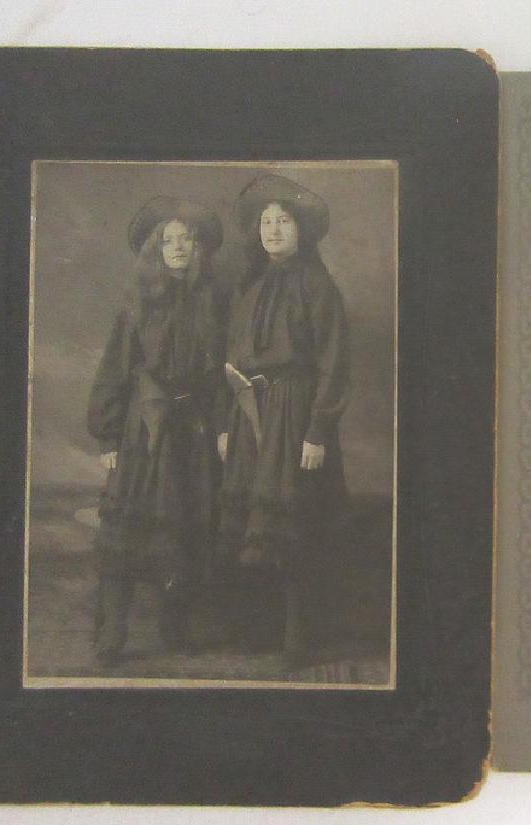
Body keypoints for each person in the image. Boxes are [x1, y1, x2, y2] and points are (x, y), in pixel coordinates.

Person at [87, 196, 228, 666]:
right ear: (156, 248)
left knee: (184, 526)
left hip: (192, 431)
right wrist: (108, 436)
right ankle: (113, 632)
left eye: (186, 238)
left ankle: (174, 627)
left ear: (198, 247)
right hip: (143, 432)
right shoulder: (137, 304)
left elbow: (222, 373)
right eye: (168, 240)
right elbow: (115, 369)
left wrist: (221, 427)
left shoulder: (213, 301)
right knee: (127, 528)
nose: (178, 246)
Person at [217, 173, 350, 669]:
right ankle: (259, 628)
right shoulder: (249, 287)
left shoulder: (318, 285)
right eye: (266, 222)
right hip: (249, 410)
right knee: (254, 520)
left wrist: (319, 429)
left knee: (292, 520)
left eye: (283, 221)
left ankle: (297, 635)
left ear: (301, 231)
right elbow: (230, 360)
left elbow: (334, 362)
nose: (273, 230)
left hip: (295, 411)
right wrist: (226, 423)